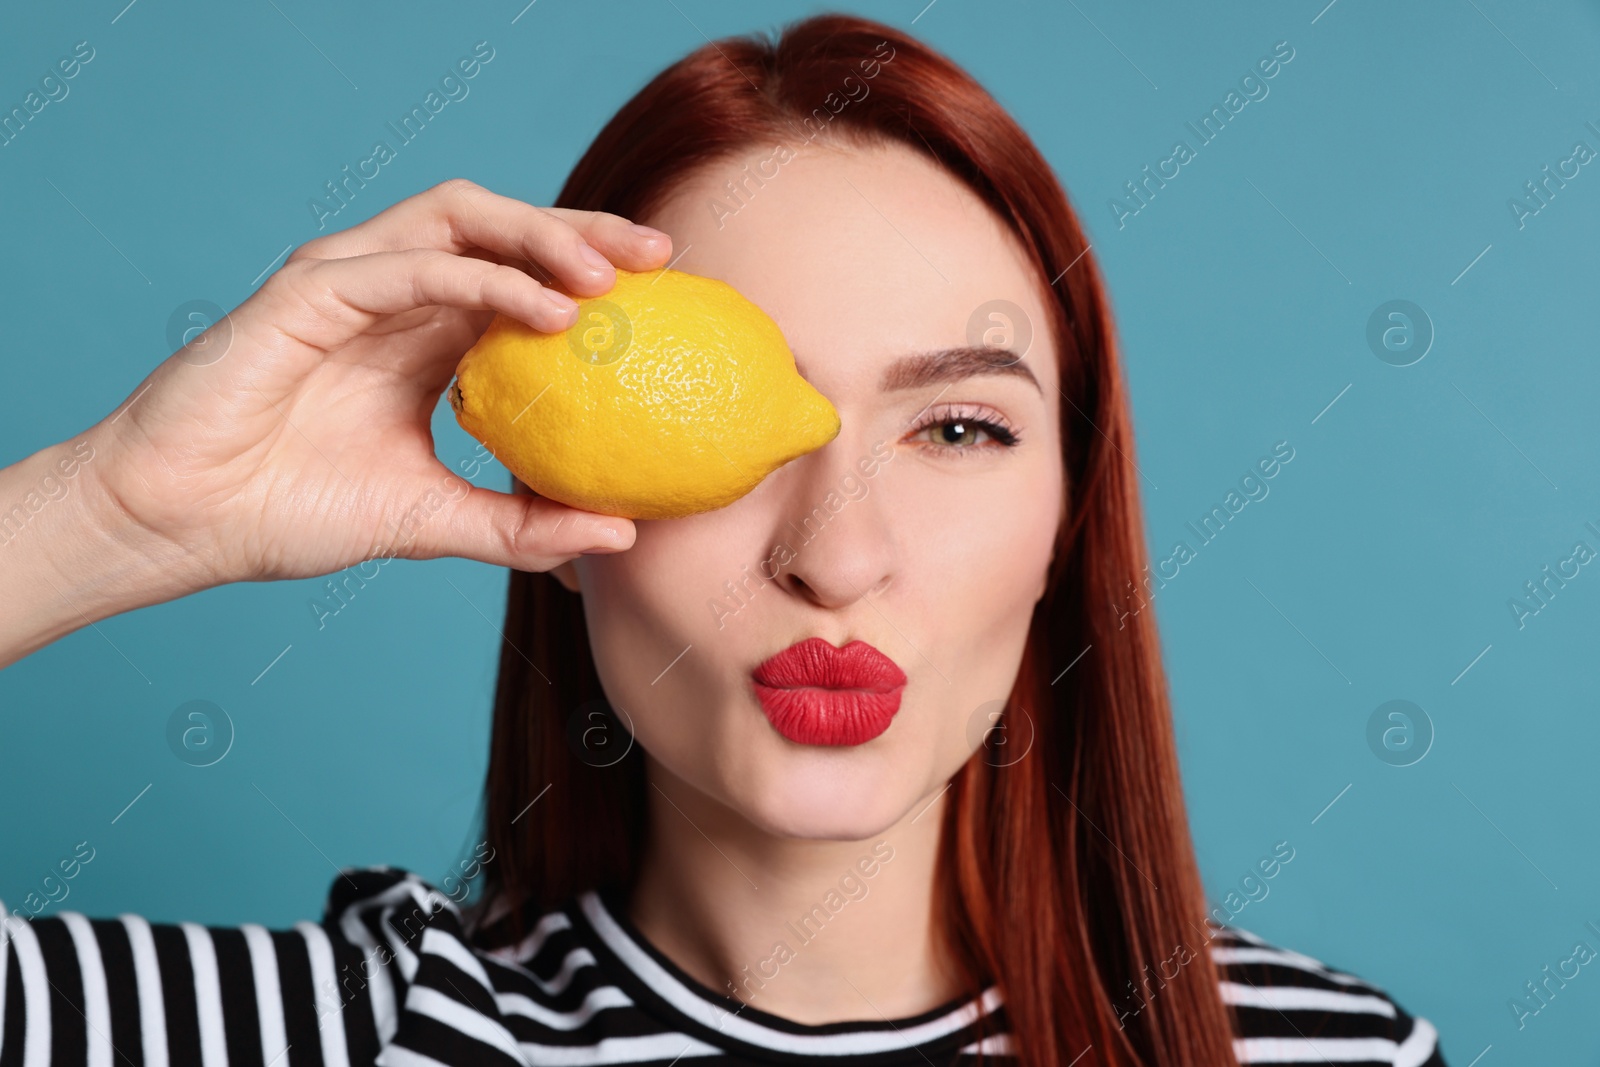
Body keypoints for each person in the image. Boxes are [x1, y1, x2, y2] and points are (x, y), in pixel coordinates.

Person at [0, 13, 1444, 1067]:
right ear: (563, 513)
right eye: (741, 438)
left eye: (956, 431)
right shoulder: (327, 1041)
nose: (837, 553)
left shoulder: (1329, 1058)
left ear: (1071, 520)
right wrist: (116, 511)